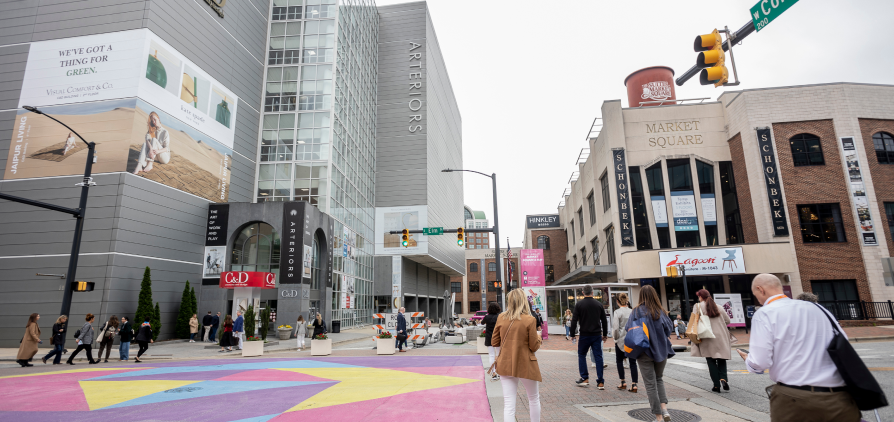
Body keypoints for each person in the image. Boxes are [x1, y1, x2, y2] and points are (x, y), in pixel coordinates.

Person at [738, 274, 859, 422]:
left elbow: (760, 362)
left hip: (795, 397)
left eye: (756, 295)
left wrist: (748, 360)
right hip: (840, 396)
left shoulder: (764, 313)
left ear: (760, 290)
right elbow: (843, 345)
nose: (758, 298)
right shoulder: (819, 309)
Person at [492, 289, 542, 422]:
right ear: (524, 301)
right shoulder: (530, 319)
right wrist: (539, 337)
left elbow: (494, 341)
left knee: (509, 404)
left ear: (509, 301)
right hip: (526, 364)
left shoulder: (501, 317)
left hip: (506, 364)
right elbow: (534, 346)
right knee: (533, 398)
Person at [627, 285, 675, 422]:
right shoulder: (660, 311)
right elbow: (668, 329)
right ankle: (664, 409)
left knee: (650, 383)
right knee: (659, 379)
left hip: (644, 351)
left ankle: (658, 417)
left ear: (641, 296)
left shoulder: (636, 311)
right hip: (661, 350)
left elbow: (628, 328)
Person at [690, 289, 732, 393]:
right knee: (722, 358)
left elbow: (693, 321)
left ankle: (716, 386)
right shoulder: (719, 307)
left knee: (710, 360)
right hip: (721, 336)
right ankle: (723, 378)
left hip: (706, 335)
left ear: (700, 297)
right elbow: (728, 321)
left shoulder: (698, 306)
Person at [570, 285, 608, 389]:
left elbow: (574, 320)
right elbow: (604, 321)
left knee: (582, 355)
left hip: (584, 335)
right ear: (592, 292)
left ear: (583, 292)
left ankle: (585, 378)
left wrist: (572, 334)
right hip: (596, 335)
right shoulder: (598, 304)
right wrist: (605, 334)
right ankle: (600, 382)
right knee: (598, 357)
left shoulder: (579, 305)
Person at [612, 293, 638, 393]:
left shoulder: (617, 312)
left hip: (621, 339)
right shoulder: (633, 312)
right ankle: (634, 383)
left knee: (619, 360)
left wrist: (616, 338)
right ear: (627, 301)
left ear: (618, 301)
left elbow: (615, 328)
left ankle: (623, 382)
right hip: (631, 339)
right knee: (632, 362)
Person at [483, 302, 502, 380]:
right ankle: (500, 372)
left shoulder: (486, 317)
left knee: (491, 355)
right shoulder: (500, 317)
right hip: (498, 338)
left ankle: (493, 373)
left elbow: (481, 322)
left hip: (489, 338)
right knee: (499, 355)